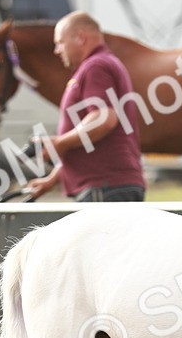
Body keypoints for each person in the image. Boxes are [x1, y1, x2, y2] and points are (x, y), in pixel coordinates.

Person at [27, 11, 145, 202]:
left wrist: (60, 143)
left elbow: (103, 118)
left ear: (81, 38)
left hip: (105, 188)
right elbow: (88, 139)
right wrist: (52, 180)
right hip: (109, 186)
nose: (57, 50)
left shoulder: (95, 66)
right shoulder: (101, 64)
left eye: (60, 42)